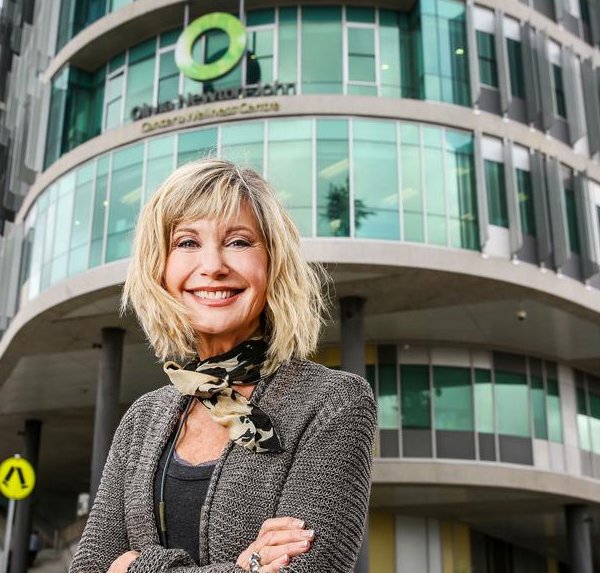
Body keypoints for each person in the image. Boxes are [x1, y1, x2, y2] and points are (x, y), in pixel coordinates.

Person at [69, 158, 376, 573]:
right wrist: (248, 565)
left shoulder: (335, 403)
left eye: (238, 242)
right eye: (187, 243)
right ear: (159, 268)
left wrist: (135, 569)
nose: (213, 265)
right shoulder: (141, 418)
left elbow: (309, 569)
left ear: (273, 263)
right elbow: (87, 568)